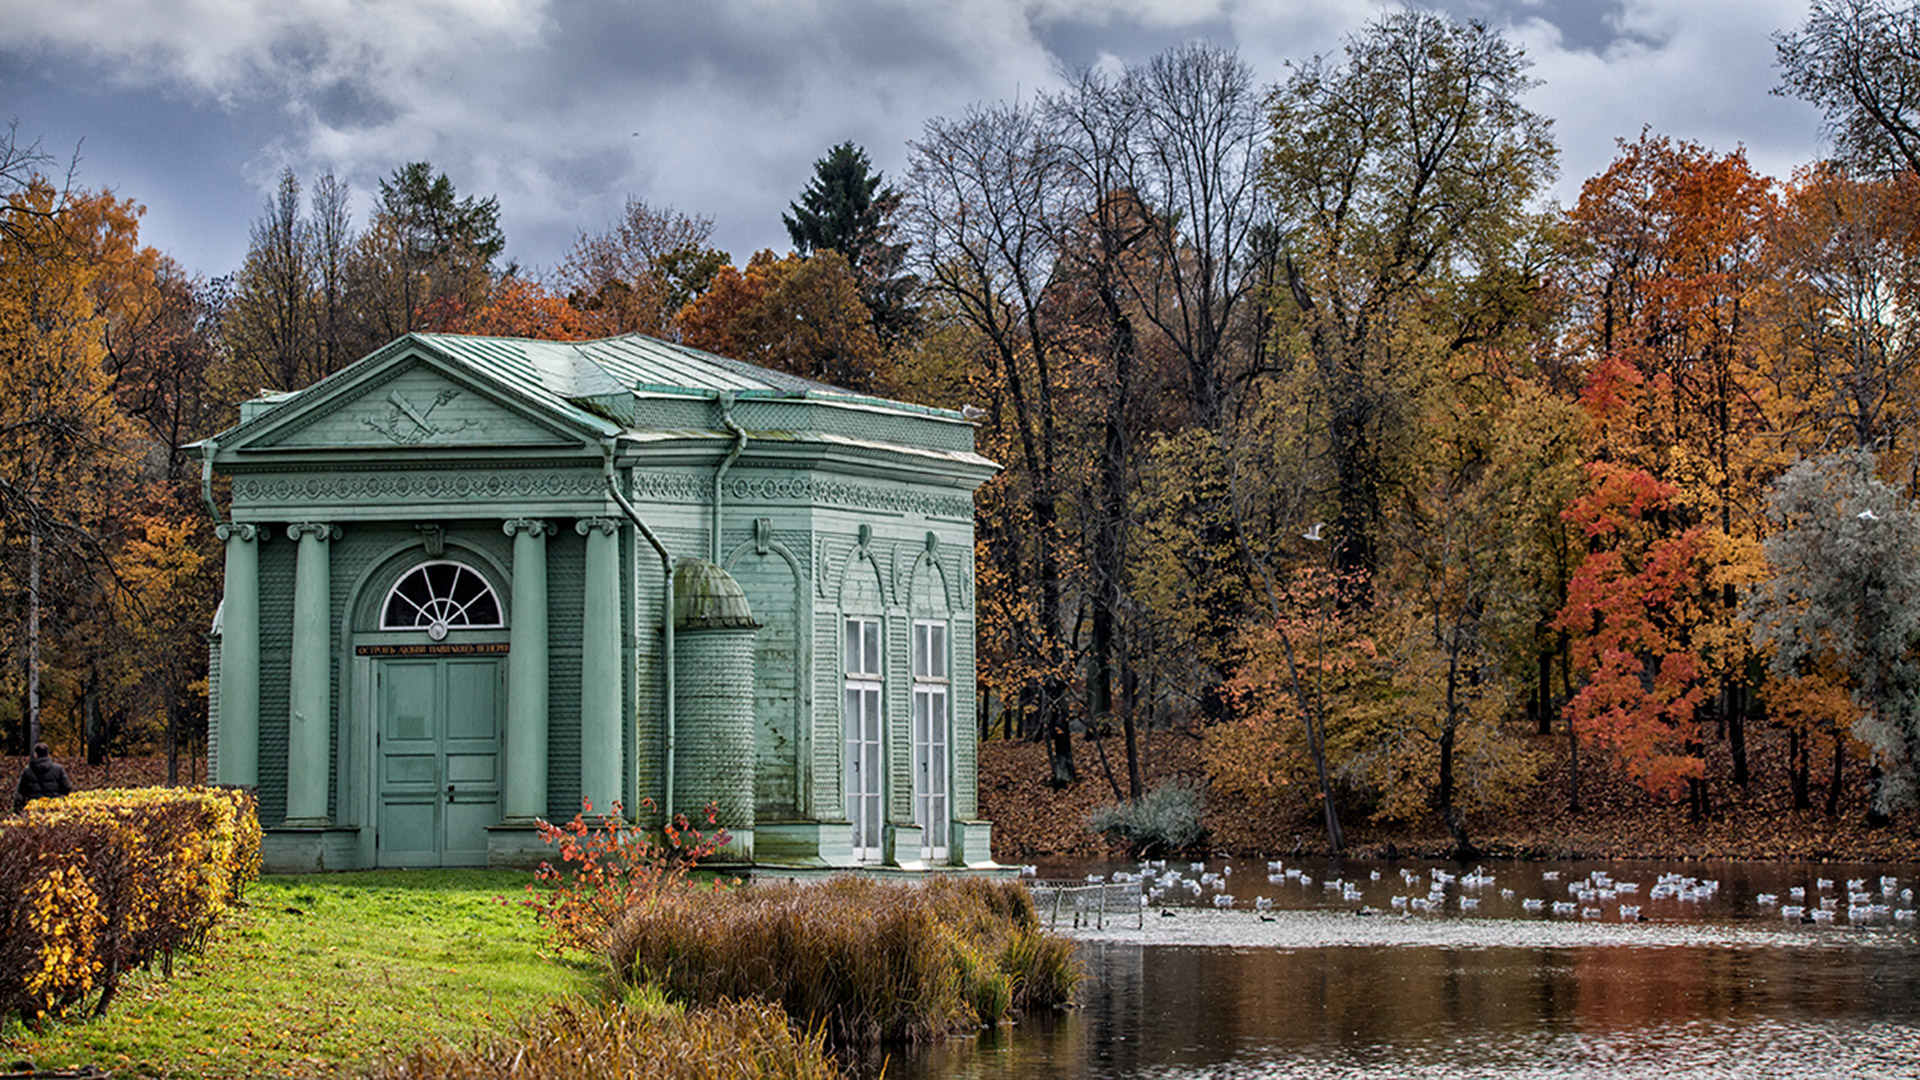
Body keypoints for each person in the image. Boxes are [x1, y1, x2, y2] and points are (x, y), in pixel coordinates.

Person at [13, 742, 73, 812]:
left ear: (35, 754)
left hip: (34, 807)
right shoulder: (58, 769)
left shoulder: (28, 771)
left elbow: (21, 792)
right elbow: (67, 787)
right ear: (48, 754)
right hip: (54, 807)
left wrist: (19, 808)